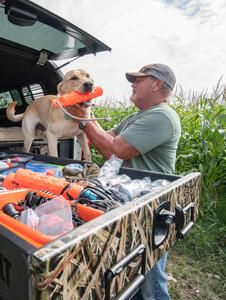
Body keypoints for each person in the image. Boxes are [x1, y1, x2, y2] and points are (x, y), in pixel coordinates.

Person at [67, 63, 181, 300]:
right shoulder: (136, 116)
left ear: (157, 84)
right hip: (131, 200)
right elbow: (105, 139)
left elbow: (115, 150)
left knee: (151, 278)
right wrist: (85, 111)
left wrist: (85, 120)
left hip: (151, 206)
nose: (133, 83)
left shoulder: (162, 116)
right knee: (130, 270)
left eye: (139, 79)